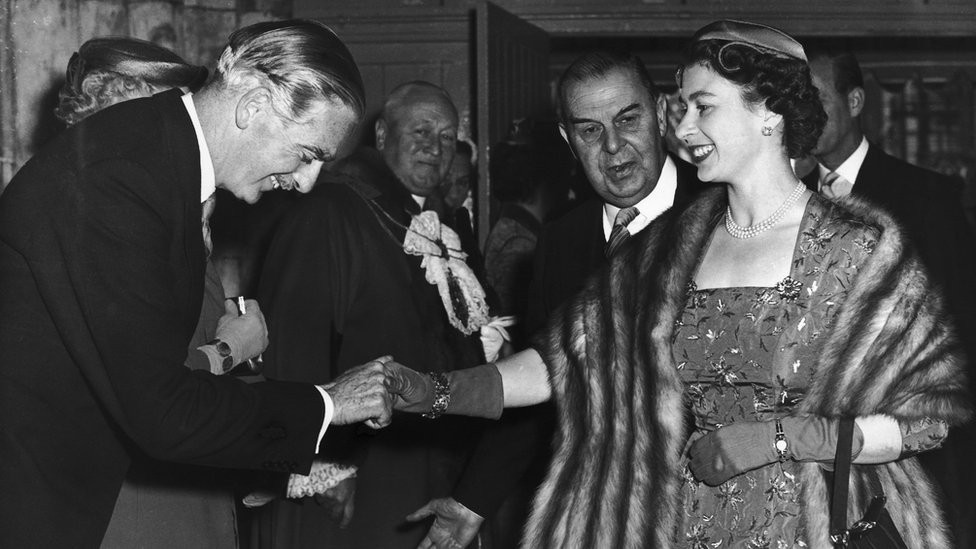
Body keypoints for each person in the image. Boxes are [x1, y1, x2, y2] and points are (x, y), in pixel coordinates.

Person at [388, 21, 972, 547]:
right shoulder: (670, 245)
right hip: (685, 527)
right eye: (682, 107)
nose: (683, 126)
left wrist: (777, 440)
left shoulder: (859, 248)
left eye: (703, 107)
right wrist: (434, 391)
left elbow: (927, 421)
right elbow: (563, 361)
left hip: (813, 526)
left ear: (768, 113)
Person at [0, 20, 397, 548]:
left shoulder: (163, 165)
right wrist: (330, 403)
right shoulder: (121, 176)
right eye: (307, 154)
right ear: (253, 104)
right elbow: (163, 412)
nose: (306, 183)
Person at [254, 80, 496, 549]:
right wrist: (322, 466)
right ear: (382, 134)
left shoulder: (439, 224)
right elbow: (292, 343)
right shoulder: (331, 209)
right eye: (421, 131)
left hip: (433, 467)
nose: (435, 148)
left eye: (447, 137)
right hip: (360, 474)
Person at [52, 35, 263, 548]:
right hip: (134, 503)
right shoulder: (93, 218)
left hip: (189, 486)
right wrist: (231, 349)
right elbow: (140, 389)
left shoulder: (179, 212)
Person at [804, 44, 976, 548]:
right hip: (814, 455)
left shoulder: (926, 197)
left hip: (913, 448)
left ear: (855, 101)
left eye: (816, 97)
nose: (803, 113)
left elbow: (963, 328)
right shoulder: (789, 202)